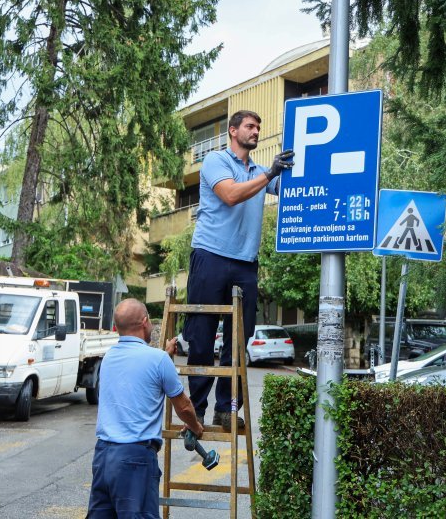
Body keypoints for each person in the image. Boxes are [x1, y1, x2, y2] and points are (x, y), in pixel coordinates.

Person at [184, 110, 294, 430]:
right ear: (233, 131)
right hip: (210, 256)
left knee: (238, 343)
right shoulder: (217, 162)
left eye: (259, 127)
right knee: (202, 338)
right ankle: (197, 411)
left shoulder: (260, 171)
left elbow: (291, 189)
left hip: (245, 263)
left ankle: (227, 410)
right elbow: (231, 195)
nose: (256, 131)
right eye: (250, 126)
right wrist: (270, 173)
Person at [87, 298, 203, 518]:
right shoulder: (158, 361)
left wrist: (166, 355)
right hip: (135, 458)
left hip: (103, 457)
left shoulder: (109, 357)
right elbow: (184, 408)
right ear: (145, 321)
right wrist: (195, 427)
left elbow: (141, 371)